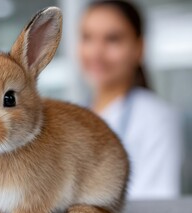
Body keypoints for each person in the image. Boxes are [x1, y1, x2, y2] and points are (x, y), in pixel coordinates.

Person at [78, 0, 183, 200]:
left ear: (139, 48)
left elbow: (157, 205)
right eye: (87, 38)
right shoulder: (79, 113)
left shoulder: (157, 118)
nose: (96, 52)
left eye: (112, 39)